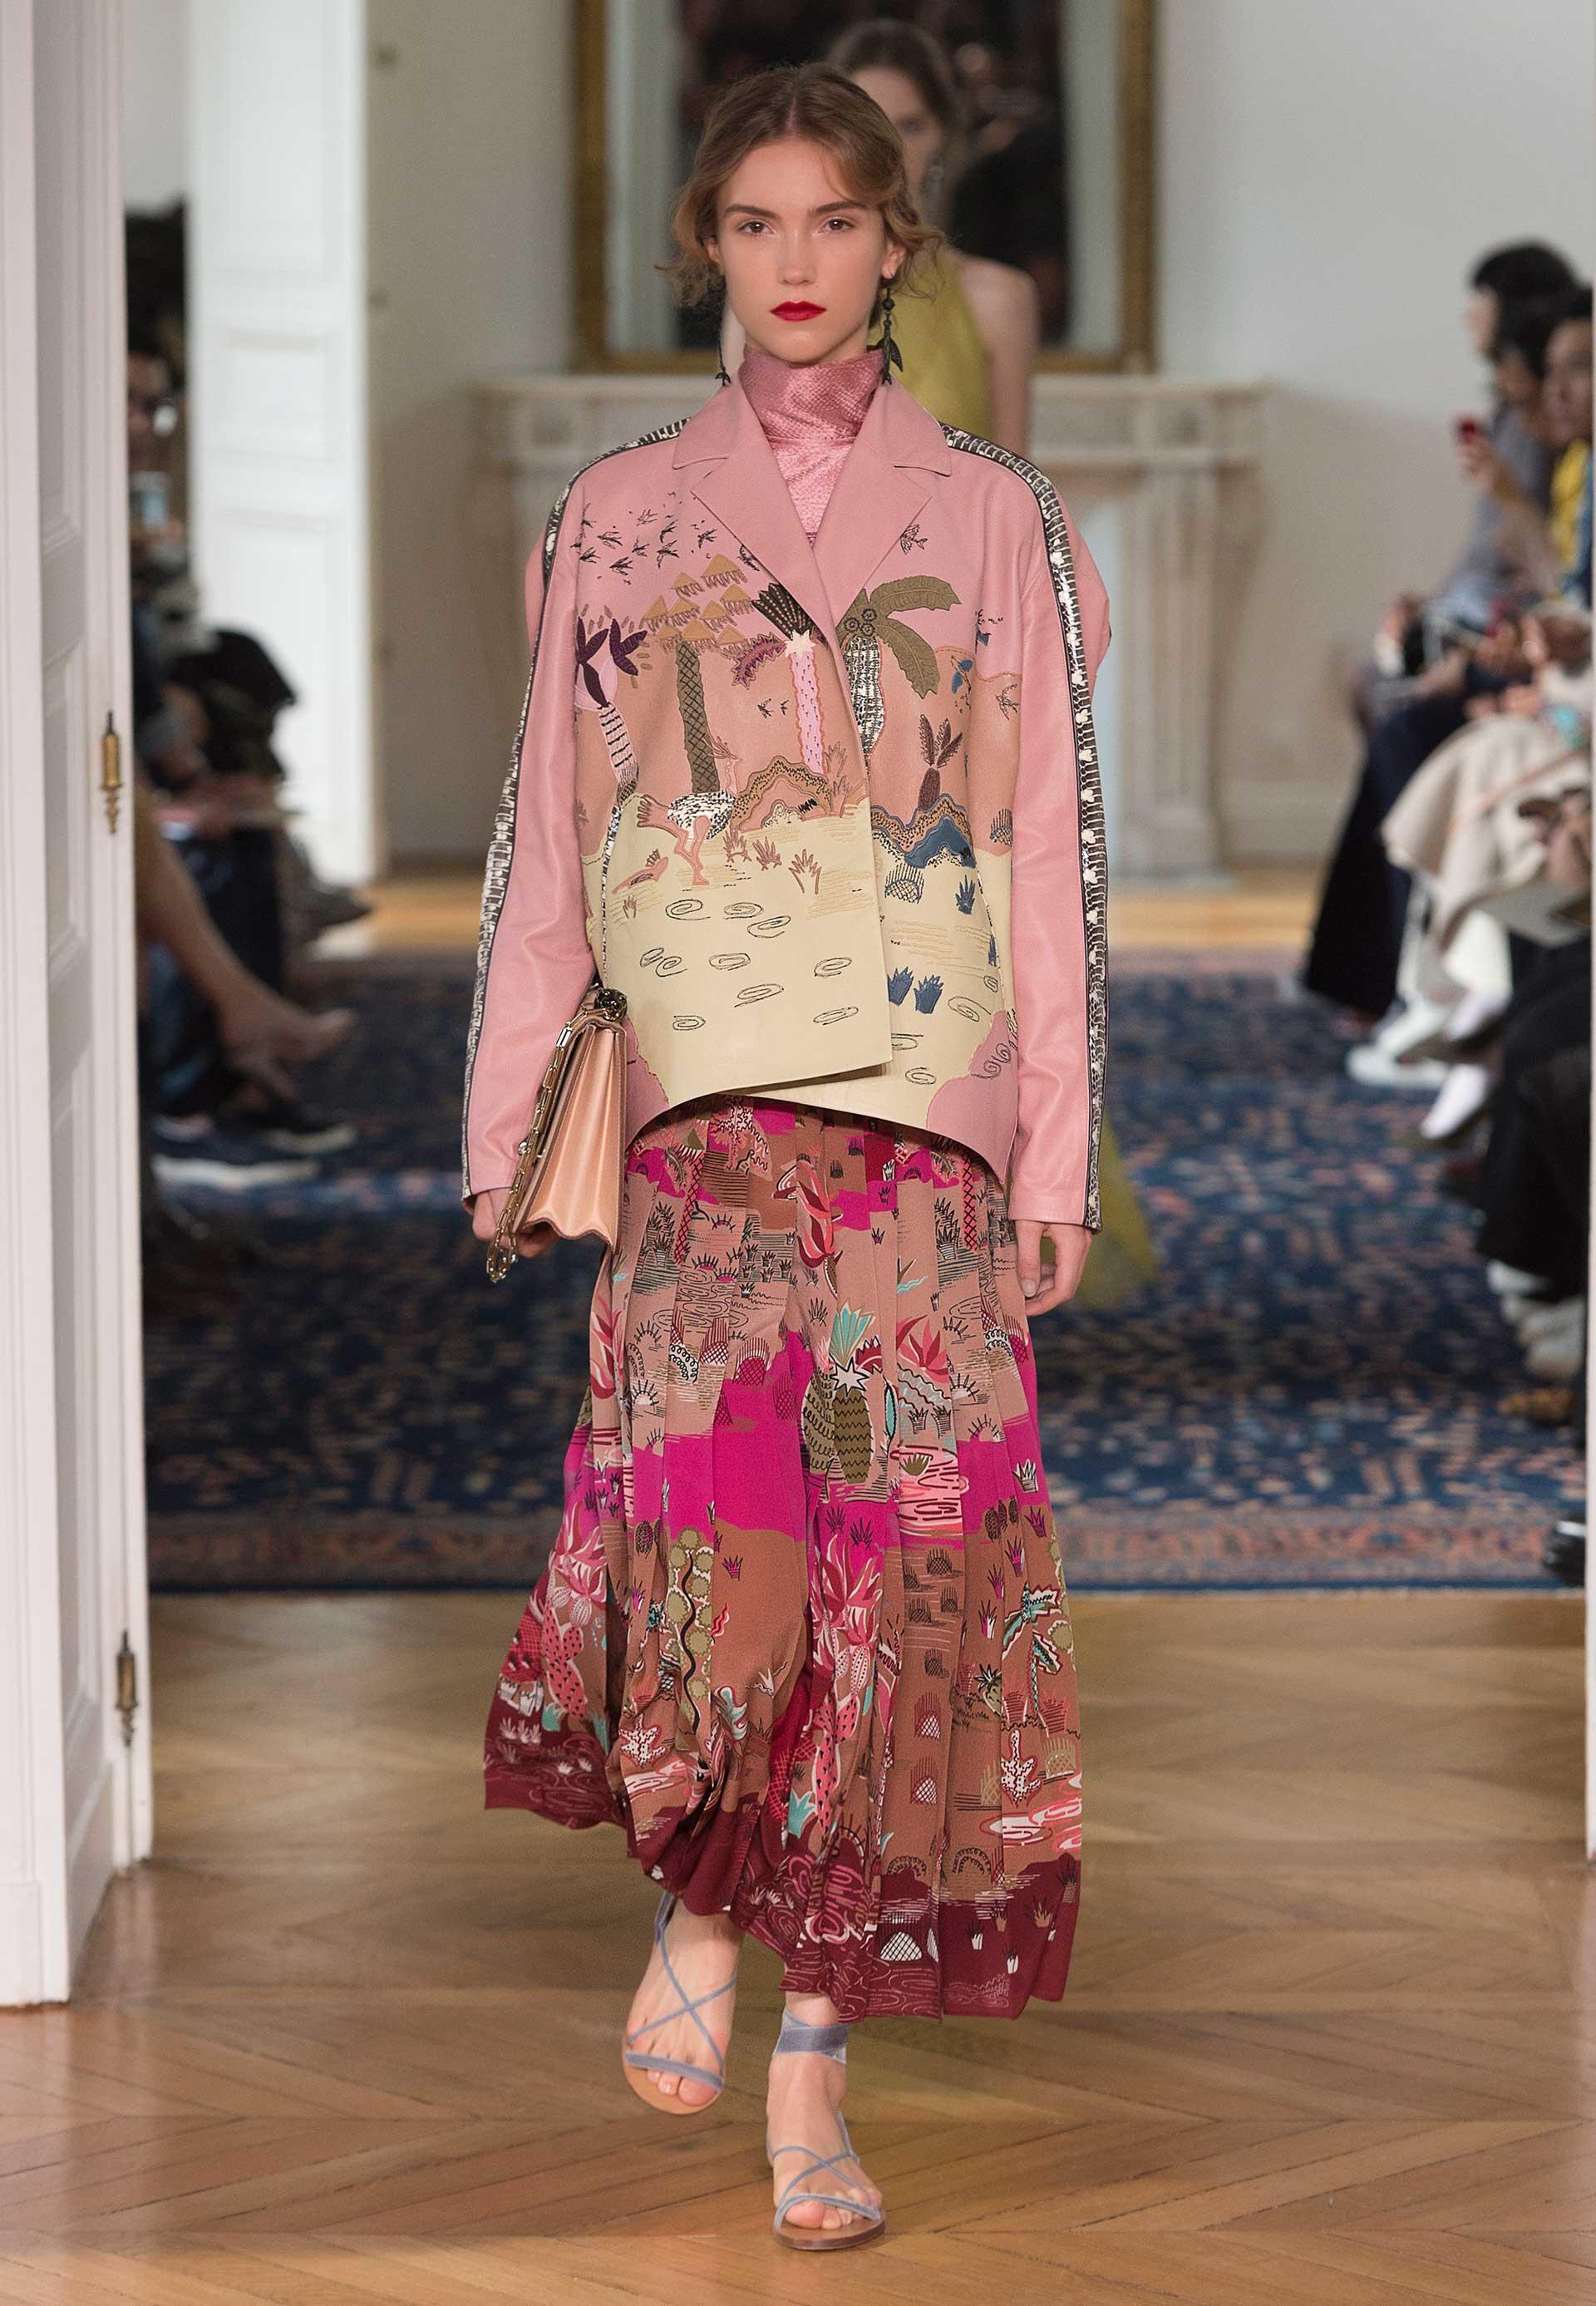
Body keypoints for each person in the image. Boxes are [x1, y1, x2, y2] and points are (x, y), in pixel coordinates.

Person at [461, 63, 1106, 2250]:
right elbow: (550, 841)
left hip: (925, 1111)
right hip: (708, 1116)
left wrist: (1054, 1150)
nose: (798, 261)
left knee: (904, 1580)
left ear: (895, 245)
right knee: (719, 1561)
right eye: (757, 222)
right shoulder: (619, 513)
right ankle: (707, 1906)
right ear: (709, 251)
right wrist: (512, 1119)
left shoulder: (998, 518)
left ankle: (813, 2059)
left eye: (836, 220)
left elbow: (1052, 852)